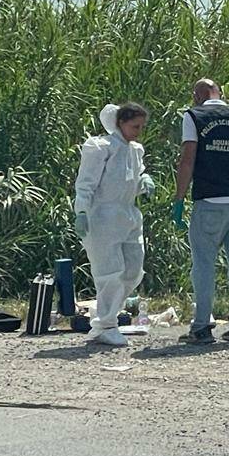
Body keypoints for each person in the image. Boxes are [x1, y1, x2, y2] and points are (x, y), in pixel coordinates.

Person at [172, 79, 229, 345]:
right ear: (220, 94)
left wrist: (179, 200)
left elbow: (187, 159)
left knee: (203, 265)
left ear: (196, 95)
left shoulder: (194, 116)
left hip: (209, 202)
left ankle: (201, 327)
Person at [73, 102, 154, 347]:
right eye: (134, 126)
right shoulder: (100, 148)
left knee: (133, 270)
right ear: (120, 123)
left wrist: (144, 182)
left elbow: (128, 180)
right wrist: (82, 211)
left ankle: (106, 318)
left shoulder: (135, 150)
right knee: (109, 272)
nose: (138, 131)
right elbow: (86, 183)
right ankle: (105, 325)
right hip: (103, 216)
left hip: (128, 214)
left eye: (141, 127)